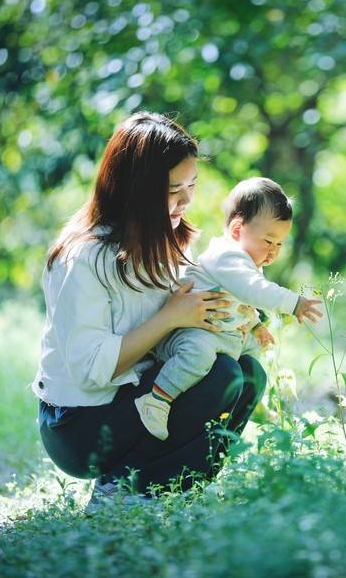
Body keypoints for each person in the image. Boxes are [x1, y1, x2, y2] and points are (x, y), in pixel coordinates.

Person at [33, 111, 265, 498]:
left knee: (248, 372)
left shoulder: (171, 242)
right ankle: (123, 490)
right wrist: (171, 316)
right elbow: (92, 371)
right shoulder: (85, 258)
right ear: (135, 189)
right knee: (222, 374)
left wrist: (245, 319)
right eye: (174, 189)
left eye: (191, 185)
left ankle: (174, 491)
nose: (186, 200)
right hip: (79, 423)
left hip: (134, 395)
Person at [135, 177, 323, 440]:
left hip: (223, 332)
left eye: (280, 244)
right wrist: (293, 303)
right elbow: (252, 290)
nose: (273, 251)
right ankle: (157, 398)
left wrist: (256, 325)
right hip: (191, 332)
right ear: (237, 230)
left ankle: (250, 403)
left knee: (254, 353)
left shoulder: (246, 263)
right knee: (198, 355)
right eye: (268, 241)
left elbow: (243, 300)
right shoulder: (226, 256)